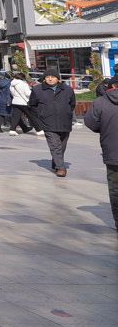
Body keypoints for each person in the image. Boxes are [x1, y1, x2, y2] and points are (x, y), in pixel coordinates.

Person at [82, 78, 118, 231]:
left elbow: (91, 123)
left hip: (112, 152)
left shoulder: (100, 102)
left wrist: (105, 128)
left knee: (115, 189)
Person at [30, 69, 76, 177]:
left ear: (58, 78)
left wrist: (67, 112)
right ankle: (61, 167)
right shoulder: (37, 90)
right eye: (47, 77)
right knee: (55, 145)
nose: (50, 79)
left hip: (65, 122)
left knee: (62, 146)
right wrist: (41, 115)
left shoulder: (68, 90)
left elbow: (72, 104)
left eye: (53, 77)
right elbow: (32, 105)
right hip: (48, 122)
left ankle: (55, 162)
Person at [7, 71, 36, 136]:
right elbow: (28, 93)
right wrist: (32, 92)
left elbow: (12, 93)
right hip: (23, 102)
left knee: (16, 117)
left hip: (15, 101)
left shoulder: (12, 84)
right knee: (31, 115)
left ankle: (12, 130)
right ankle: (39, 130)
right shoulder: (23, 84)